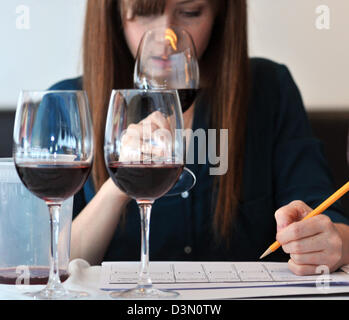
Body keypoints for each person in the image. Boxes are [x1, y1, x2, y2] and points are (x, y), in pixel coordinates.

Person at [50, 0, 349, 275]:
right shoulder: (68, 106)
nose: (166, 39)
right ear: (114, 14)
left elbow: (328, 217)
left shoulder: (270, 90)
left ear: (220, 13)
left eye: (190, 12)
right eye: (144, 11)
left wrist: (334, 243)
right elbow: (50, 263)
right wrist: (119, 183)